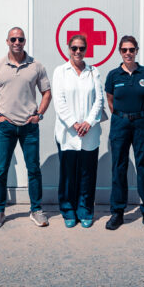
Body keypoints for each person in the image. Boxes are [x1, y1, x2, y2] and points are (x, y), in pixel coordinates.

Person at [0, 27, 52, 229]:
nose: (17, 42)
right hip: (6, 127)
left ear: (24, 41)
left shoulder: (36, 66)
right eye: (13, 38)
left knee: (33, 169)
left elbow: (47, 92)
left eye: (20, 39)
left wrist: (39, 114)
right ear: (7, 41)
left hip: (29, 126)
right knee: (1, 170)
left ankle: (36, 210)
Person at [104, 35, 144, 231]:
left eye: (132, 50)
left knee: (143, 166)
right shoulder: (113, 75)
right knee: (119, 166)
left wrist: (141, 116)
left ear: (137, 51)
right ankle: (117, 212)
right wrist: (122, 116)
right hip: (120, 123)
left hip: (141, 123)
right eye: (125, 50)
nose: (128, 53)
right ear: (120, 52)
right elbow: (110, 100)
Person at [52, 34, 104, 228]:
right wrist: (74, 123)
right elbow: (59, 101)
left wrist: (88, 122)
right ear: (68, 49)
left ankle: (85, 210)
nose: (78, 52)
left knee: (87, 174)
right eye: (74, 48)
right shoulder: (60, 71)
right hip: (68, 133)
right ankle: (68, 211)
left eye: (81, 48)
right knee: (68, 175)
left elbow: (99, 100)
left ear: (86, 49)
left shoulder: (93, 71)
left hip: (89, 133)